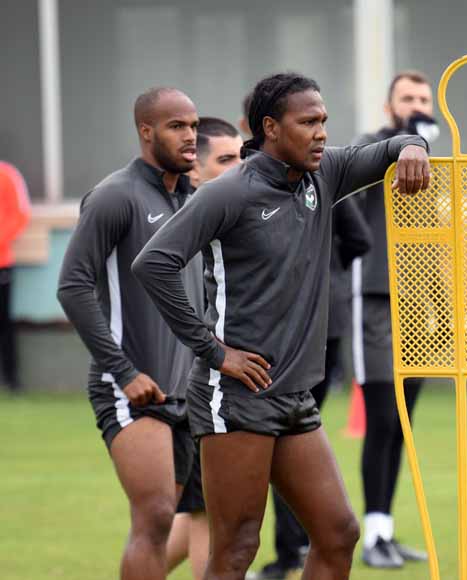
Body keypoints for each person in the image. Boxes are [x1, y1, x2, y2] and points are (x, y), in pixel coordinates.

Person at [132, 72, 430, 580]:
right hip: (236, 396)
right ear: (270, 127)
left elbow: (392, 146)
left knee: (338, 534)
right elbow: (153, 264)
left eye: (324, 121)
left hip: (294, 395)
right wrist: (215, 351)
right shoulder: (229, 193)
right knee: (236, 548)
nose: (321, 133)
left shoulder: (325, 174)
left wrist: (413, 147)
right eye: (308, 122)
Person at [56, 87, 202, 580]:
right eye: (176, 126)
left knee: (172, 520)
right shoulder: (115, 196)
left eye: (194, 126)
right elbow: (72, 286)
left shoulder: (193, 199)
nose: (190, 136)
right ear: (146, 131)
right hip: (131, 387)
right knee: (155, 517)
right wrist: (123, 371)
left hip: (185, 391)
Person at [249, 146, 374, 580]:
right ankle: (292, 547)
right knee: (279, 443)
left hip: (316, 329)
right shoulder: (245, 188)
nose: (317, 134)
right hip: (285, 333)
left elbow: (360, 239)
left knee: (285, 439)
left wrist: (318, 268)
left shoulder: (320, 183)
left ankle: (292, 548)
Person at [350, 70, 436, 568]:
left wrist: (440, 307)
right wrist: (408, 141)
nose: (417, 105)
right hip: (375, 300)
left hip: (418, 308)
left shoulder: (432, 163)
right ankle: (371, 537)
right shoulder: (373, 148)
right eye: (408, 98)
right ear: (389, 107)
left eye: (424, 98)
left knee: (402, 423)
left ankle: (384, 529)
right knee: (382, 419)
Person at [160, 116, 242, 580]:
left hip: (229, 386)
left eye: (242, 158)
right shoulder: (183, 226)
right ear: (194, 169)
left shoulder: (231, 218)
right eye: (226, 159)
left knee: (204, 510)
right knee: (210, 513)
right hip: (196, 388)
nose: (239, 169)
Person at [0, 161, 30, 392]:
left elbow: (20, 214)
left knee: (3, 322)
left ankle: (11, 380)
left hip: (2, 262)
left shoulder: (7, 175)